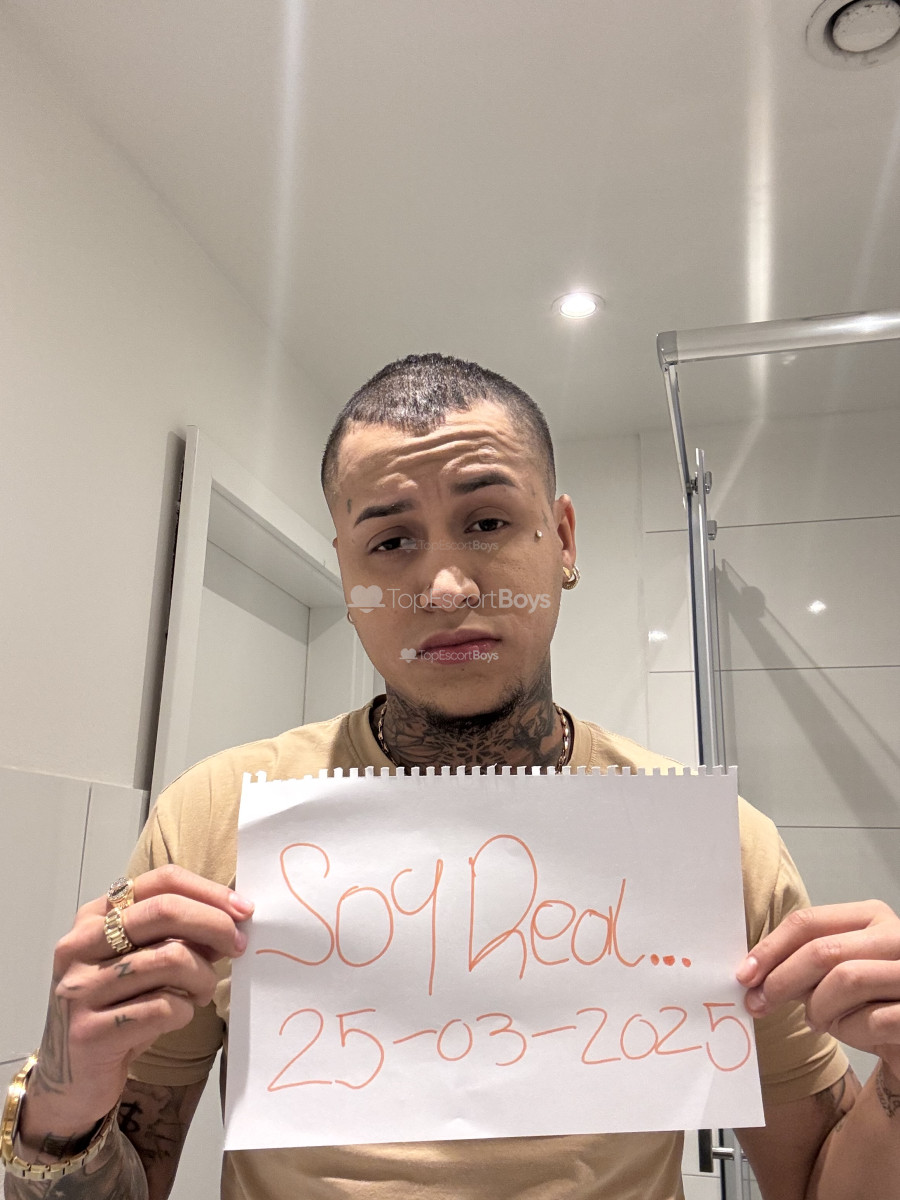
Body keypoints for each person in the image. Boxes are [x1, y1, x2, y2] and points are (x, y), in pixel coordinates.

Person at [3, 354, 899, 1200]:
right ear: (346, 573)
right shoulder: (215, 816)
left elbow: (822, 1185)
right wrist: (60, 1108)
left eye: (488, 523)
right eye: (391, 540)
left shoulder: (714, 846)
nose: (444, 588)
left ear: (563, 539)